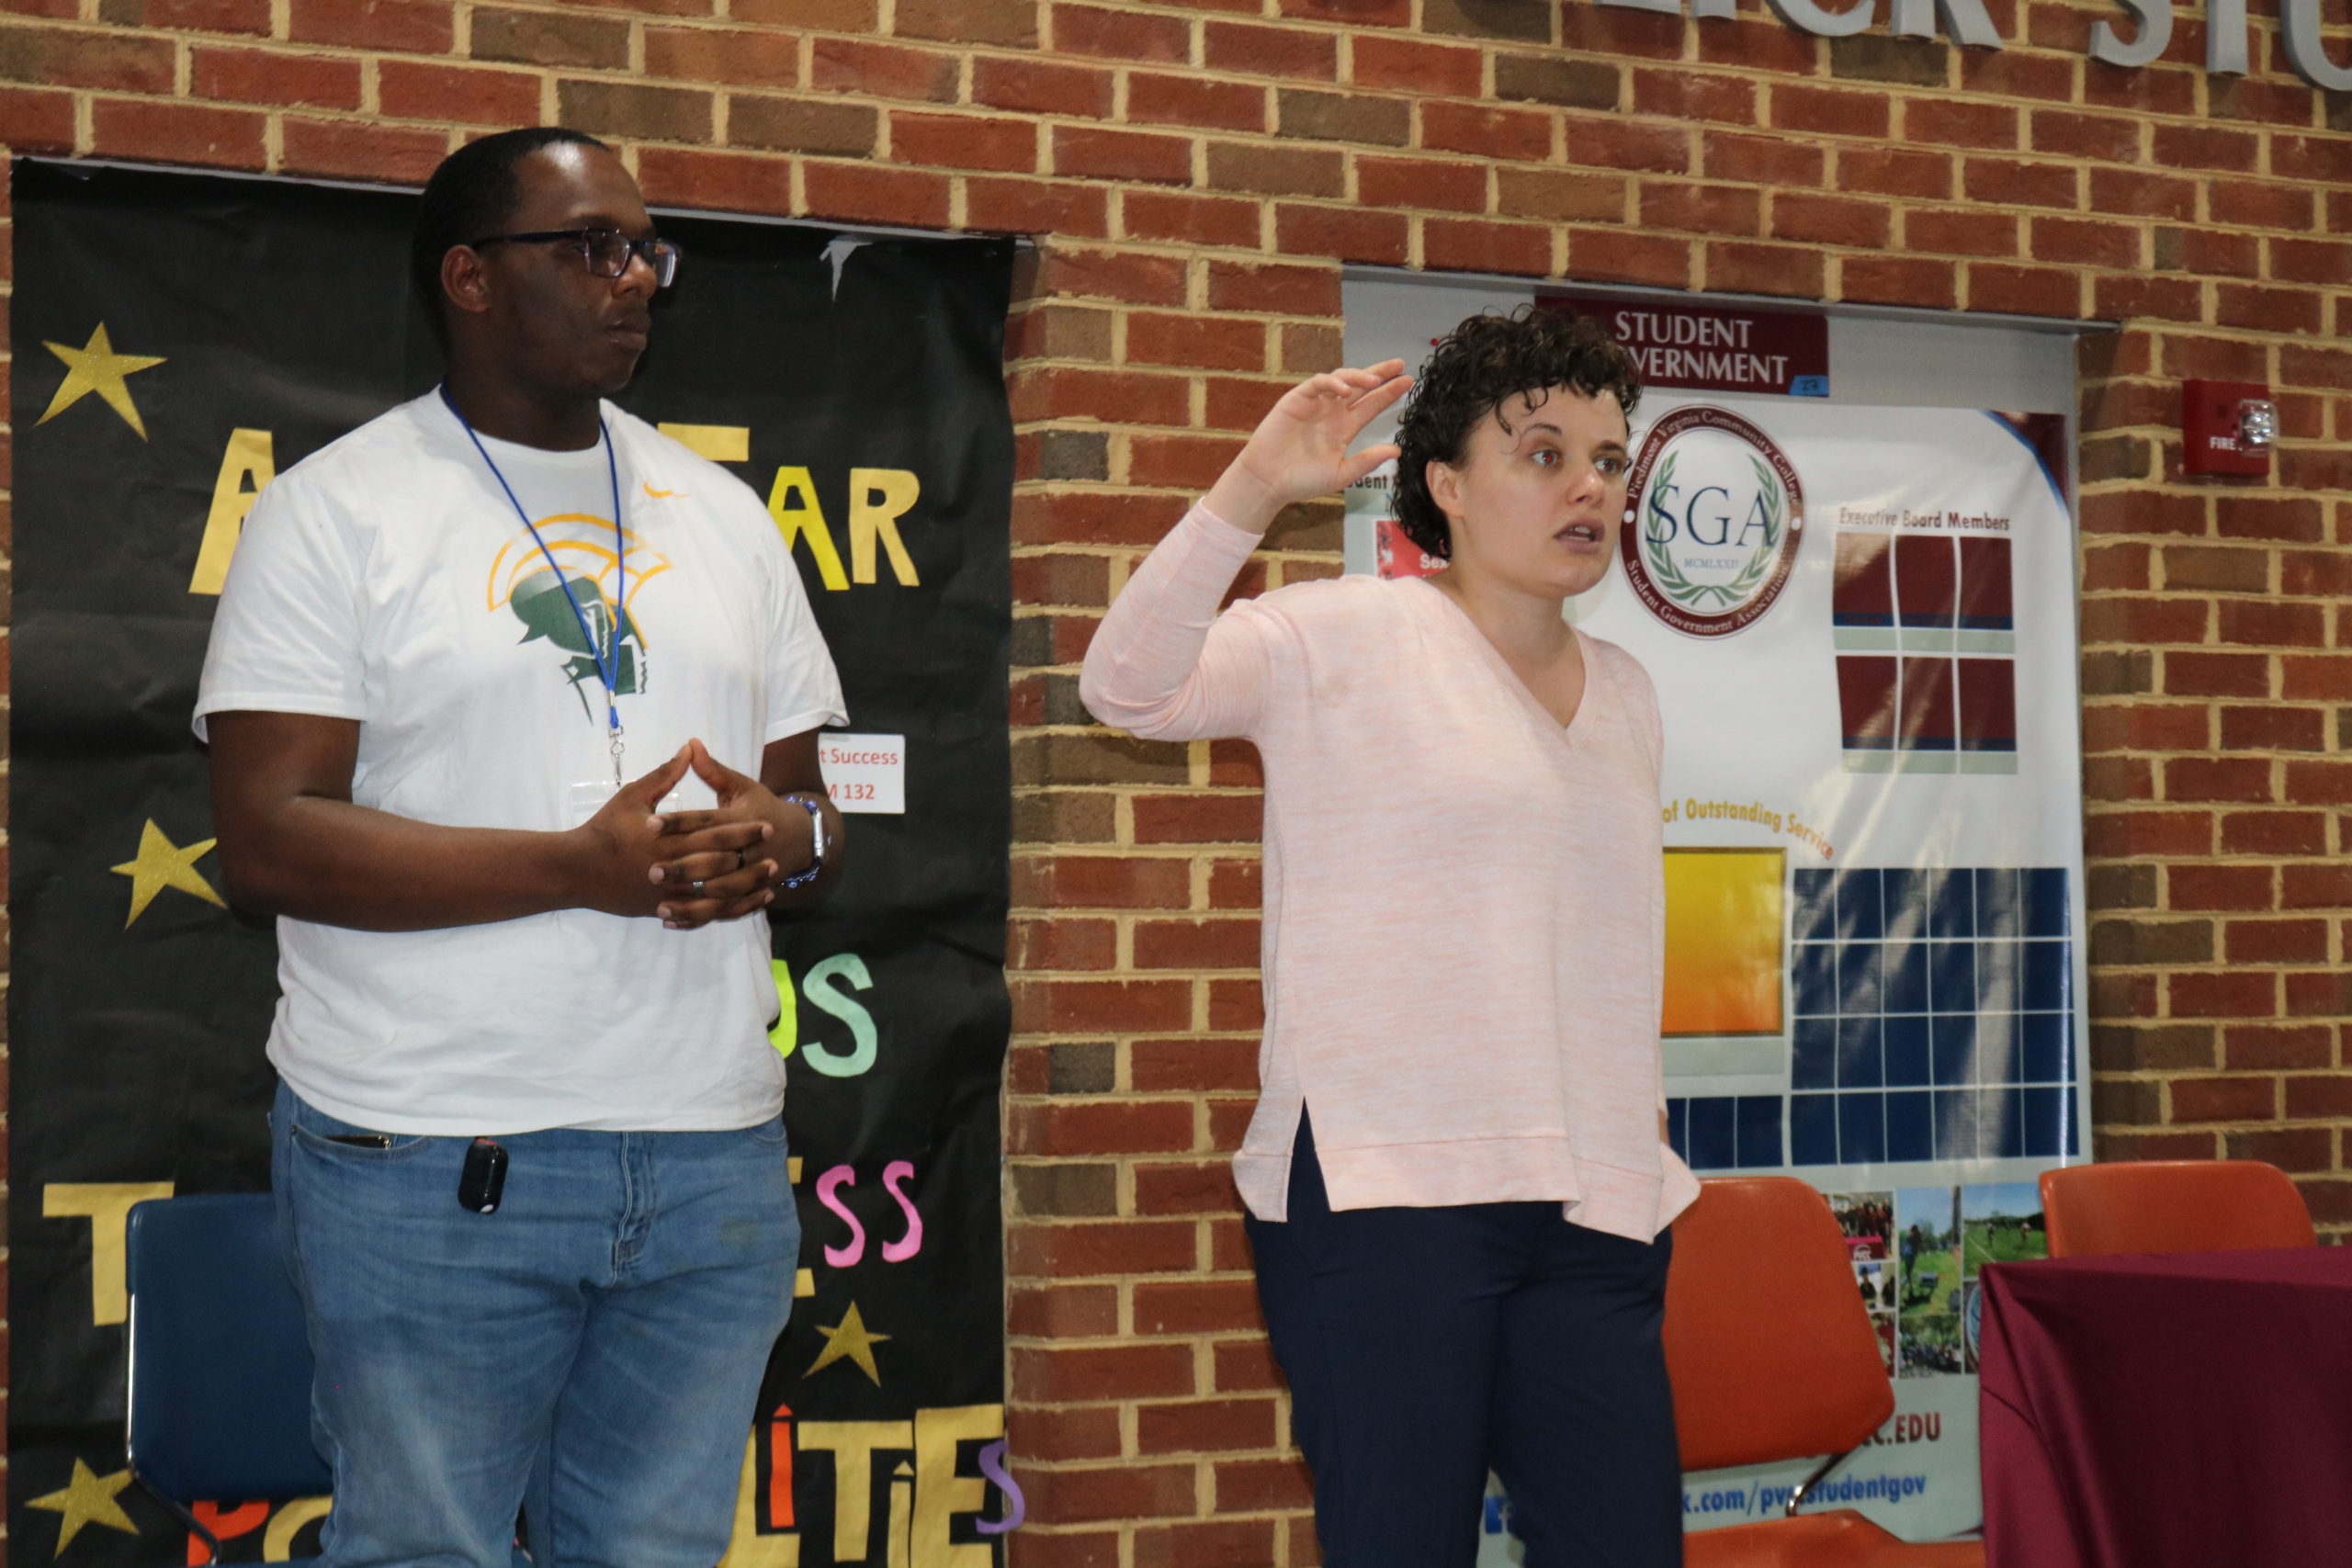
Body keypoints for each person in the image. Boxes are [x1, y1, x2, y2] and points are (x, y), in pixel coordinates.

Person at [197, 127, 845, 1567]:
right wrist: (573, 867)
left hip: (709, 1152)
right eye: (594, 247)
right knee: (427, 1548)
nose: (638, 282)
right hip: (431, 1146)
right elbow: (271, 842)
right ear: (472, 278)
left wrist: (781, 845)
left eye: (647, 250)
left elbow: (818, 805)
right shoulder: (336, 511)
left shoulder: (725, 514)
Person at [1081, 307, 1698, 1568]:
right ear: (1446, 485)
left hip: (1592, 1202)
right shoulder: (1339, 633)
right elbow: (1125, 687)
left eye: (1611, 457)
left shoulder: (1630, 690)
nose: (1589, 485)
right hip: (1386, 1193)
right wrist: (1253, 488)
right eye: (1542, 454)